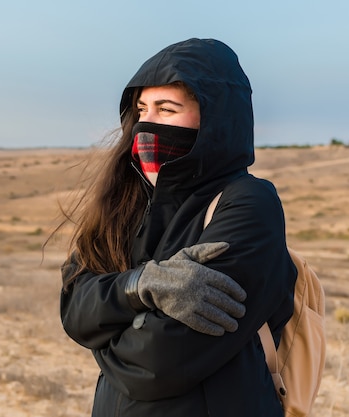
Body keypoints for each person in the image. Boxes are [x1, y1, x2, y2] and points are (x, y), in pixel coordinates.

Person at [59, 38, 297, 416]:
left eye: (167, 109)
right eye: (142, 109)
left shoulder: (249, 204)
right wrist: (140, 286)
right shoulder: (128, 202)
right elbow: (74, 309)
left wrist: (105, 338)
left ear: (215, 117)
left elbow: (157, 364)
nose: (148, 123)